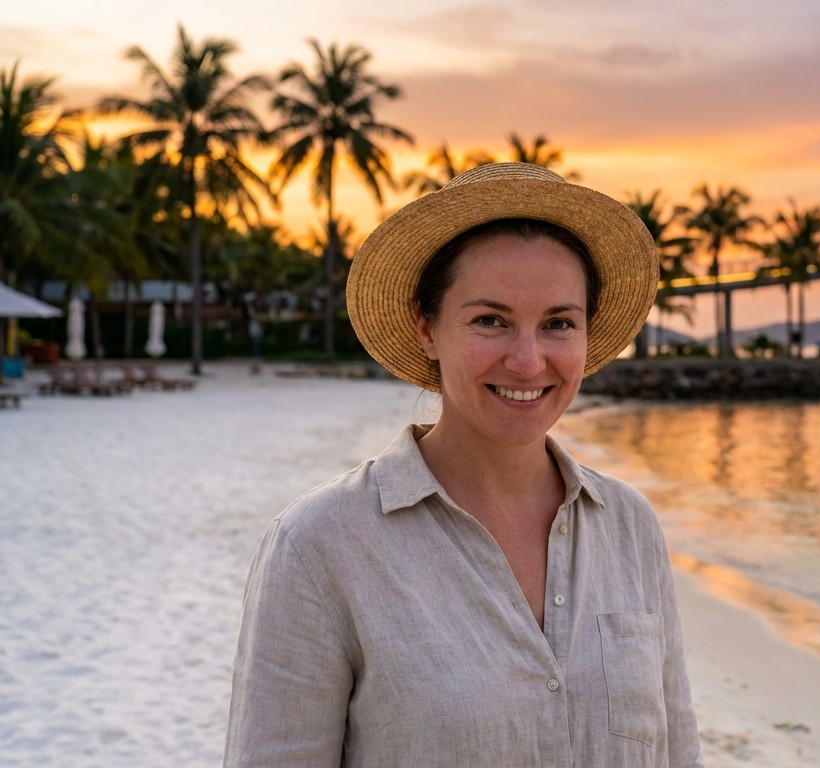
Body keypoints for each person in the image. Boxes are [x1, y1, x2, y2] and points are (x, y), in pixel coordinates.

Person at [224, 163, 702, 767]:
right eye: (490, 321)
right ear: (427, 328)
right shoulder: (319, 546)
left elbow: (677, 752)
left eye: (558, 323)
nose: (528, 362)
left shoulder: (630, 528)